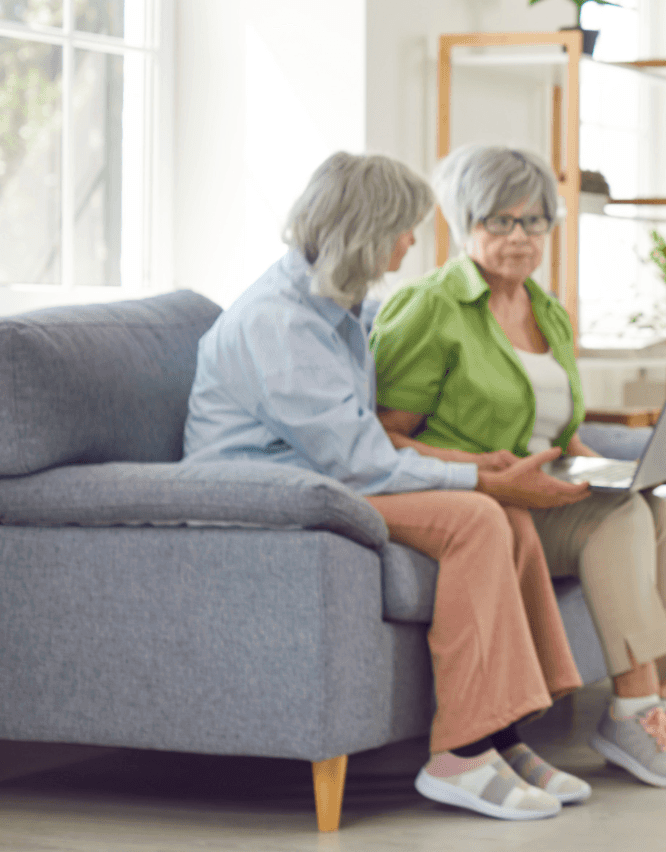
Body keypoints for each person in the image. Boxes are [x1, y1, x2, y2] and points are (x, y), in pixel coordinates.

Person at [183, 152, 596, 822]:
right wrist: (474, 477)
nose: (412, 241)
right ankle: (459, 754)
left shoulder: (333, 307)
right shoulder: (280, 322)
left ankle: (501, 732)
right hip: (271, 499)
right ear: (370, 229)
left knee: (507, 516)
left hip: (321, 478)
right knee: (479, 518)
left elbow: (360, 444)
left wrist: (484, 472)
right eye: (405, 227)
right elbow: (355, 460)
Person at [370, 144, 666, 791]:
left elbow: (559, 433)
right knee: (617, 521)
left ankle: (654, 708)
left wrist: (618, 464)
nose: (519, 238)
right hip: (492, 496)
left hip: (548, 488)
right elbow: (382, 438)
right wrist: (486, 469)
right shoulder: (429, 307)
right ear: (463, 222)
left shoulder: (548, 310)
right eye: (499, 222)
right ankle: (630, 714)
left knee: (659, 511)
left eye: (533, 222)